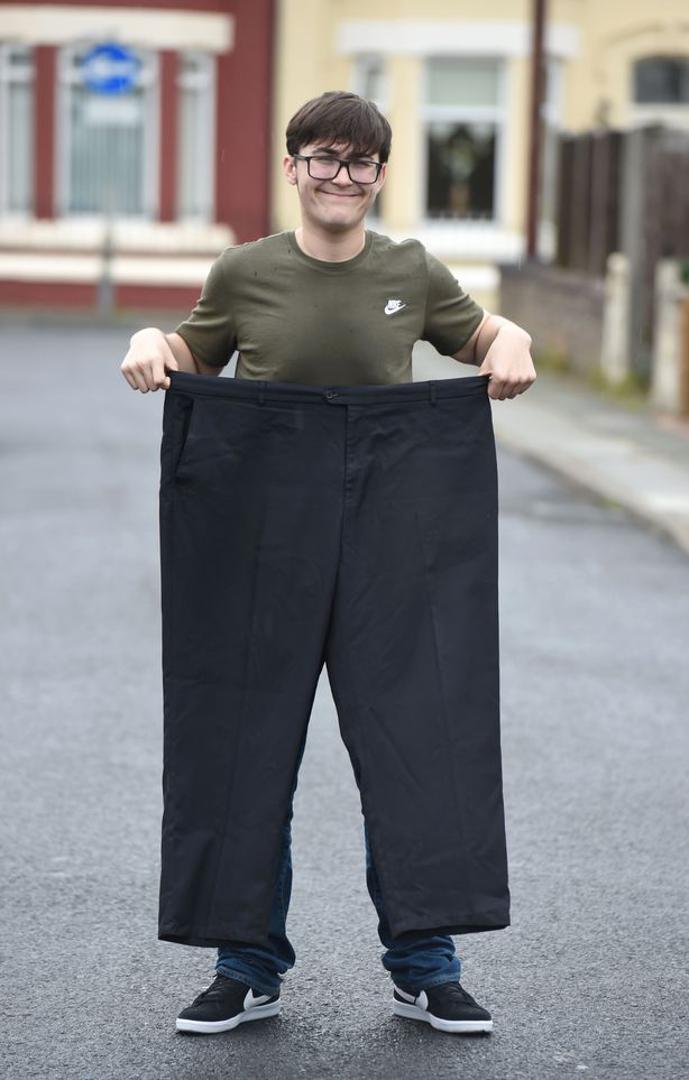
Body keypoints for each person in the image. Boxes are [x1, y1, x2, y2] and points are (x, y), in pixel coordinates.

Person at [121, 90, 536, 1038]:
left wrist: (510, 336)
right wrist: (151, 341)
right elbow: (192, 352)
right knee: (241, 735)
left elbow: (481, 337)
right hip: (259, 519)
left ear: (379, 175)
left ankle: (425, 966)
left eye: (359, 161)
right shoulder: (246, 271)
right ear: (293, 167)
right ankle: (246, 964)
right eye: (323, 157)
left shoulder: (410, 269)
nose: (340, 176)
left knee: (417, 732)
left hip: (394, 513)